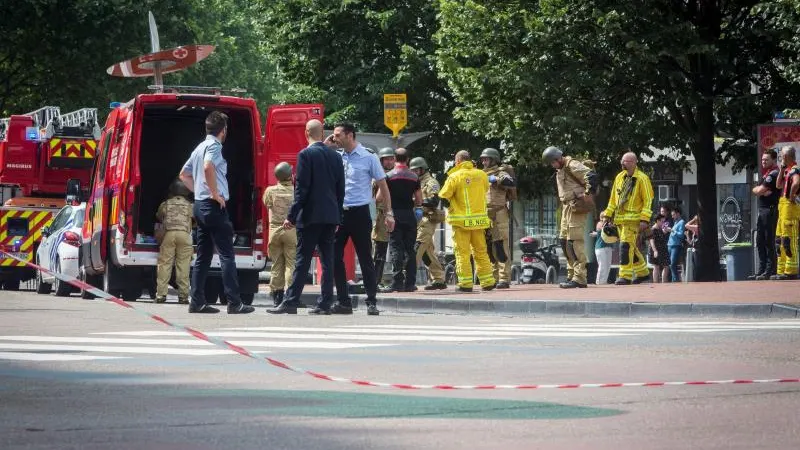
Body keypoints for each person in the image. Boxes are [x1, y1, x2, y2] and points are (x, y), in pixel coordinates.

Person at [179, 111, 255, 314]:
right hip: (213, 206)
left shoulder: (198, 147)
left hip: (200, 206)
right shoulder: (214, 146)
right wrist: (214, 193)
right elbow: (208, 166)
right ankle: (234, 302)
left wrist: (201, 192)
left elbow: (183, 175)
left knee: (203, 256)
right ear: (224, 131)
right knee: (226, 255)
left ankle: (196, 301)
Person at [267, 119, 344, 314]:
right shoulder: (336, 157)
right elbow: (340, 189)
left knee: (302, 260)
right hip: (330, 216)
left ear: (306, 132)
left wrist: (291, 216)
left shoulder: (305, 155)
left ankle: (291, 300)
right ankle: (325, 303)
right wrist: (338, 216)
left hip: (310, 216)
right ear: (321, 132)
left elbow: (301, 190)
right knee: (328, 261)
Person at [328, 123, 394, 316]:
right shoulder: (336, 156)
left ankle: (371, 301)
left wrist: (389, 212)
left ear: (350, 135)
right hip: (339, 214)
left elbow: (383, 185)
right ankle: (343, 301)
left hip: (360, 213)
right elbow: (320, 155)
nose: (335, 138)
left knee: (365, 258)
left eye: (338, 135)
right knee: (334, 256)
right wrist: (326, 144)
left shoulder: (368, 157)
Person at [439, 150, 496, 292]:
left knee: (463, 253)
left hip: (461, 222)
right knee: (481, 251)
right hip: (478, 222)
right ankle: (488, 281)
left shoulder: (454, 176)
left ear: (458, 161)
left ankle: (465, 284)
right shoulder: (482, 175)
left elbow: (444, 195)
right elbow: (485, 189)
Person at [542, 146, 593, 289]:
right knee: (564, 241)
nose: (552, 166)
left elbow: (591, 177)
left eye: (552, 162)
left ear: (558, 158)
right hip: (566, 206)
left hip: (576, 207)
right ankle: (572, 274)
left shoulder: (572, 165)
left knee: (574, 242)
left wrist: (587, 194)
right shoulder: (560, 169)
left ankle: (580, 277)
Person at [601, 151, 654, 285]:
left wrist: (644, 220)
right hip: (620, 220)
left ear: (634, 163)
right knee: (631, 248)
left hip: (633, 221)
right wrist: (607, 214)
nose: (622, 163)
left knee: (625, 247)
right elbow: (613, 198)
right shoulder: (619, 177)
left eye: (626, 161)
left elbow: (648, 200)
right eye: (622, 161)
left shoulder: (642, 179)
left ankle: (624, 276)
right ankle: (643, 274)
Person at [379, 148, 422, 292]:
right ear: (408, 159)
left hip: (393, 215)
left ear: (395, 158)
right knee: (410, 249)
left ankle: (397, 282)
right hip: (409, 216)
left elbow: (379, 197)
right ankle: (410, 283)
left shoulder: (389, 176)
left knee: (396, 248)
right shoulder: (414, 177)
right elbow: (419, 200)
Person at [480, 147, 517, 289]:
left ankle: (504, 278)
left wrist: (496, 179)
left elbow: (510, 182)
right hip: (484, 214)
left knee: (500, 245)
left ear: (494, 159)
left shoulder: (500, 172)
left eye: (487, 159)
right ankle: (493, 277)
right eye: (483, 159)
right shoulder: (481, 174)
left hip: (499, 212)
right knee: (488, 247)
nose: (484, 161)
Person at [410, 157, 447, 290]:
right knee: (427, 253)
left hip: (427, 219)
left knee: (416, 249)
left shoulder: (431, 182)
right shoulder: (414, 182)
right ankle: (439, 279)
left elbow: (434, 201)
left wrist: (416, 201)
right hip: (416, 219)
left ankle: (408, 279)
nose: (413, 172)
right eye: (411, 170)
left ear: (422, 169)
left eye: (415, 170)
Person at [263, 162, 296, 307]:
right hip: (291, 229)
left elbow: (267, 204)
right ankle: (290, 295)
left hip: (274, 230)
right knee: (291, 264)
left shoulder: (270, 191)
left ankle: (277, 296)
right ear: (290, 176)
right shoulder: (296, 191)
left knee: (276, 264)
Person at [154, 180, 193, 304]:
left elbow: (159, 216)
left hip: (168, 235)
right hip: (185, 236)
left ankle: (161, 295)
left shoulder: (165, 204)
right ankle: (183, 296)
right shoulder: (190, 205)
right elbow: (196, 219)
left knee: (165, 265)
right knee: (183, 266)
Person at [749, 149, 780, 280]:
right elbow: (756, 190)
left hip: (769, 210)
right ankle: (761, 270)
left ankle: (770, 270)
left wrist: (760, 190)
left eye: (766, 159)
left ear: (774, 160)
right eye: (762, 159)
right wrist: (759, 190)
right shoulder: (765, 174)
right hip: (763, 210)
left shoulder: (773, 174)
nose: (763, 162)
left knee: (768, 240)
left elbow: (760, 189)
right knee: (759, 241)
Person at [773, 145, 800, 280]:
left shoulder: (795, 170)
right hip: (783, 211)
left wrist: (792, 195)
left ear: (786, 156)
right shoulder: (787, 170)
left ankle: (791, 271)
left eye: (782, 156)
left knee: (789, 241)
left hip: (790, 210)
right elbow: (778, 185)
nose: (780, 158)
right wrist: (781, 169)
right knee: (780, 240)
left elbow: (796, 183)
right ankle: (782, 270)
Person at [372, 147, 396, 289]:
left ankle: (399, 281)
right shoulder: (377, 177)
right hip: (381, 216)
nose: (389, 161)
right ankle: (376, 280)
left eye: (391, 158)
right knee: (379, 250)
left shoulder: (398, 175)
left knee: (398, 249)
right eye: (386, 159)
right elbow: (373, 199)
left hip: (396, 214)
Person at [648, 214, 670, 283]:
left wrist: (666, 231)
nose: (663, 223)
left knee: (666, 266)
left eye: (664, 221)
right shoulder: (653, 229)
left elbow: (661, 235)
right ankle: (656, 283)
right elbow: (651, 241)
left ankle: (663, 282)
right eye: (662, 221)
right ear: (657, 221)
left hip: (662, 249)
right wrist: (655, 251)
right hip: (656, 250)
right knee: (656, 266)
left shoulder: (660, 228)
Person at [666, 207, 686, 282]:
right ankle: (674, 279)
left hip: (676, 245)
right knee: (670, 264)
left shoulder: (681, 222)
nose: (672, 216)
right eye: (672, 215)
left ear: (678, 214)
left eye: (673, 215)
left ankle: (675, 280)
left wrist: (671, 230)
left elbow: (681, 235)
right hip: (670, 245)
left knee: (672, 263)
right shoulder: (675, 222)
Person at [591, 221, 613, 285]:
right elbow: (603, 229)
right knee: (602, 265)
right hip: (600, 247)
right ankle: (599, 282)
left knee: (608, 265)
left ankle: (604, 281)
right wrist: (609, 226)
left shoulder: (610, 224)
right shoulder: (599, 223)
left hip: (609, 246)